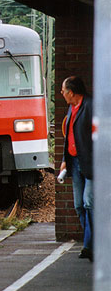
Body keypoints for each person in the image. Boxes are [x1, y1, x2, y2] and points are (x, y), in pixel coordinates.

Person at [59, 76, 93, 261]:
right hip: (74, 162)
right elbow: (69, 136)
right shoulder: (71, 108)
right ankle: (93, 241)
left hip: (90, 163)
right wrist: (65, 159)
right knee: (79, 205)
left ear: (71, 92)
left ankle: (90, 246)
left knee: (89, 202)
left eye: (63, 91)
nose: (61, 94)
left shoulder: (91, 106)